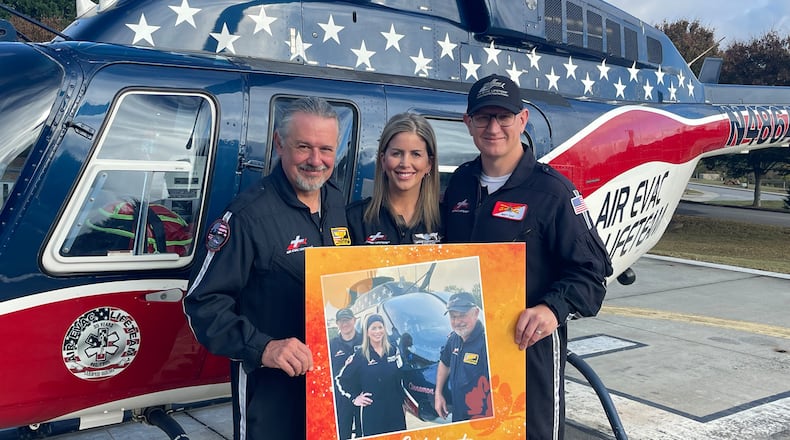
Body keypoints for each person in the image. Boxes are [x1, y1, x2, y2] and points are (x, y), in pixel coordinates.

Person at [441, 74, 613, 439]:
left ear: (522, 120)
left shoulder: (552, 192)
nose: (493, 127)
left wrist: (552, 309)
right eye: (483, 117)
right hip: (470, 348)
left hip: (528, 352)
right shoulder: (458, 184)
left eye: (503, 117)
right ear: (467, 123)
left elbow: (592, 274)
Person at [183, 96, 351, 439]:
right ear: (279, 144)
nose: (316, 160)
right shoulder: (247, 216)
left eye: (326, 149)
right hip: (270, 393)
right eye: (303, 146)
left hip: (329, 387)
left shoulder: (336, 201)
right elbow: (202, 303)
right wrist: (264, 347)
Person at [346, 112, 441, 245]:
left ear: (429, 164)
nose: (405, 163)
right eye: (396, 153)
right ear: (383, 160)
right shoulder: (354, 218)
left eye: (416, 154)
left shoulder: (446, 220)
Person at [335, 314, 406, 437]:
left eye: (380, 327)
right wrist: (354, 398)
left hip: (395, 410)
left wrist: (404, 403)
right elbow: (341, 380)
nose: (378, 331)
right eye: (373, 328)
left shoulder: (393, 351)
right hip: (373, 413)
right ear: (367, 332)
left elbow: (399, 378)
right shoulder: (360, 355)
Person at [434, 291, 490, 422]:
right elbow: (444, 362)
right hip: (459, 415)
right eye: (453, 316)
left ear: (476, 313)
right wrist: (438, 393)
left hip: (481, 419)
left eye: (463, 315)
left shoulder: (486, 342)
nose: (457, 322)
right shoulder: (453, 338)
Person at [328, 308, 362, 440]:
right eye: (341, 321)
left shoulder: (365, 340)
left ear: (354, 320)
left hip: (362, 395)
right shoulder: (332, 345)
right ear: (337, 323)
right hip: (342, 398)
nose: (345, 323)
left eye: (347, 320)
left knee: (364, 432)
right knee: (343, 433)